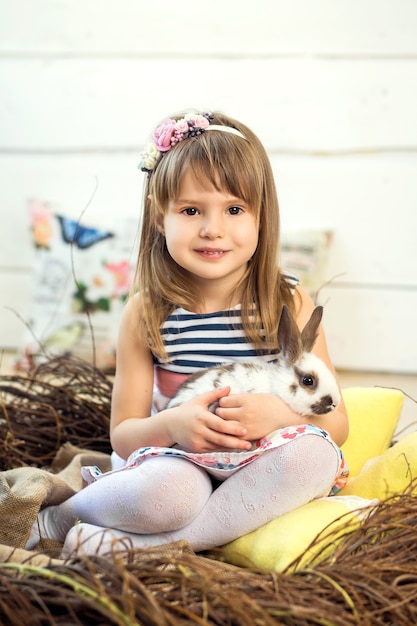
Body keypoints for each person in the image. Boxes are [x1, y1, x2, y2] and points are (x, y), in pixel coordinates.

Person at [26, 111, 349, 556]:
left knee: (317, 457)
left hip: (263, 462)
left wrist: (278, 414)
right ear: (160, 219)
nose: (212, 228)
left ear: (261, 218)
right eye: (191, 210)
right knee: (171, 495)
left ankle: (149, 546)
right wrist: (173, 424)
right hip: (180, 458)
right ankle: (58, 519)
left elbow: (336, 423)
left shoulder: (288, 304)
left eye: (234, 209)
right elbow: (123, 434)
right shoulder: (147, 311)